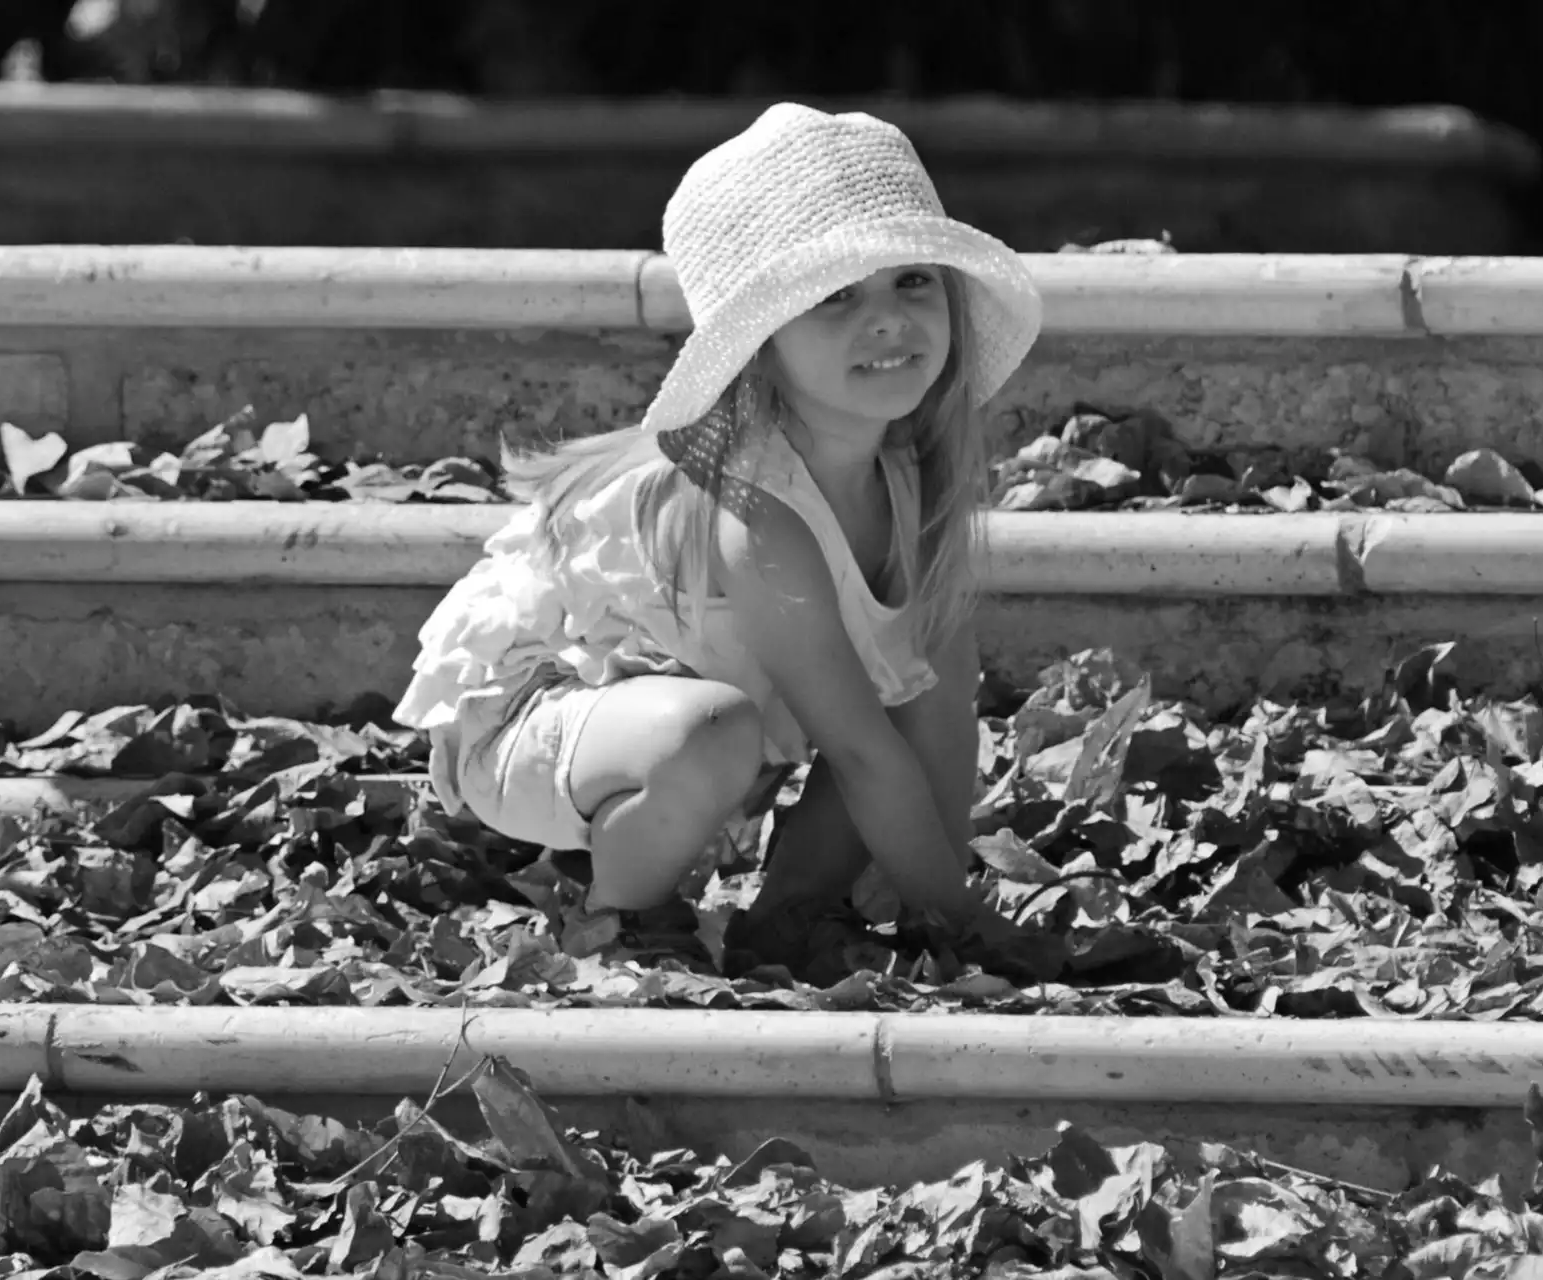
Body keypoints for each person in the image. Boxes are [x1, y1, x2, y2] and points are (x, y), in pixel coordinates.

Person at [394, 102, 1066, 980]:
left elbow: (930, 728)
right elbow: (858, 757)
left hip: (673, 718)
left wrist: (943, 909)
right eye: (834, 298)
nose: (890, 321)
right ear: (759, 345)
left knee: (928, 682)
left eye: (912, 281)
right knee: (716, 730)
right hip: (535, 714)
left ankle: (789, 914)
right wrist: (970, 926)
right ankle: (619, 920)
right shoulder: (757, 509)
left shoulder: (909, 472)